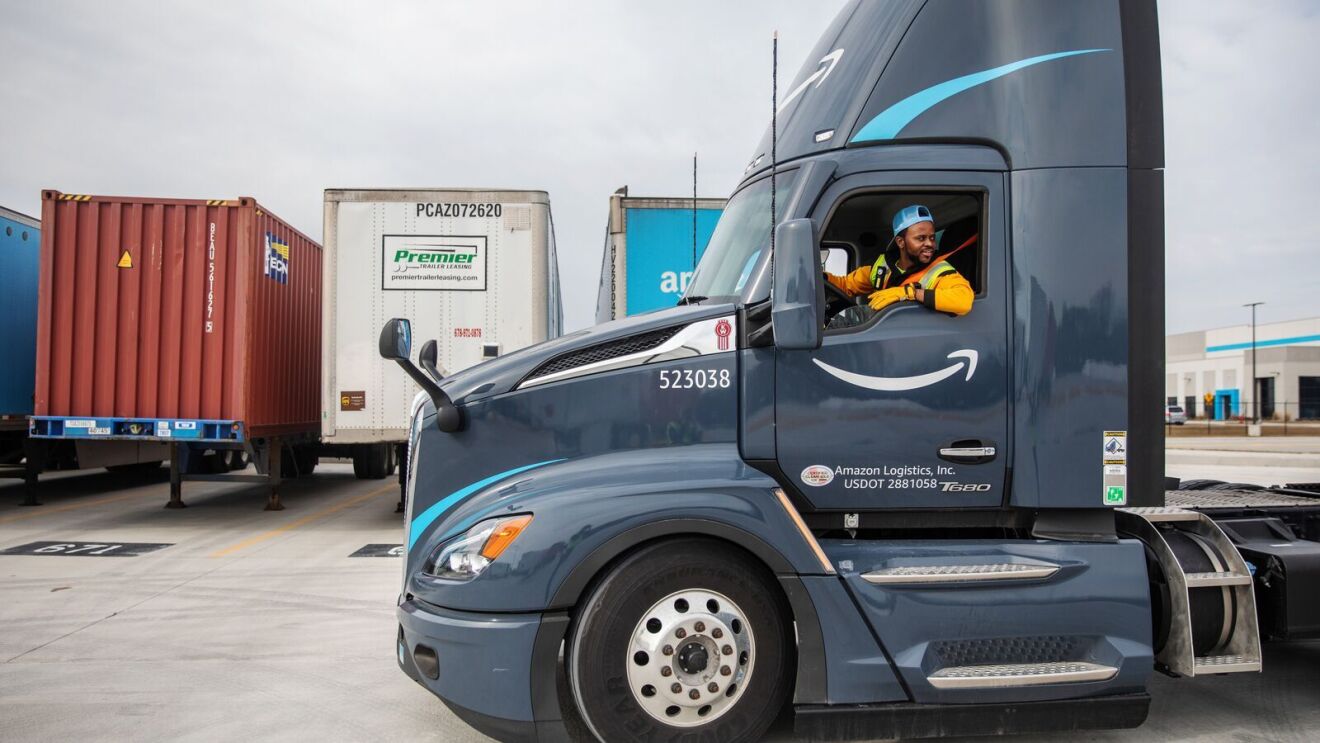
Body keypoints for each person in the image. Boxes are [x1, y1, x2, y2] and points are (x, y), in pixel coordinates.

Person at [825, 204, 974, 316]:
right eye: (920, 238)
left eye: (932, 238)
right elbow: (845, 286)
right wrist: (820, 278)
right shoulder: (882, 268)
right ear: (901, 242)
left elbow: (964, 301)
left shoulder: (940, 271)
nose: (929, 244)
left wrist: (911, 293)